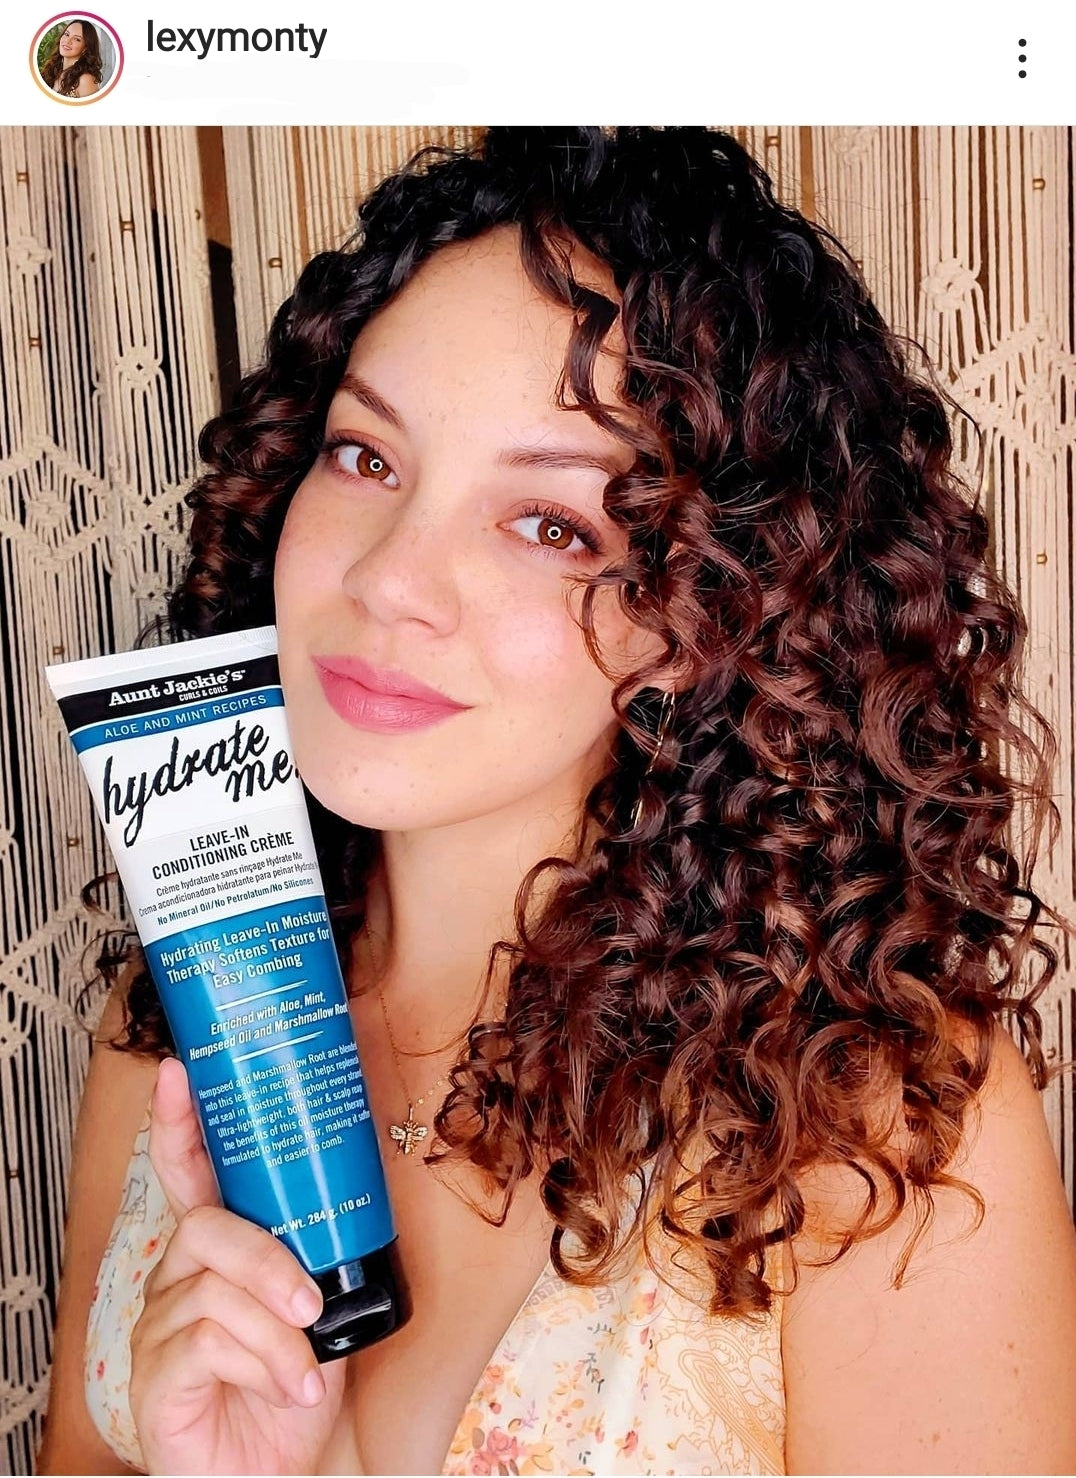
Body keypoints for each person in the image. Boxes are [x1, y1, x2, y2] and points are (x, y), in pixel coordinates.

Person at [37, 127, 1076, 1476]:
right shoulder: (183, 1028)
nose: (390, 579)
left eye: (550, 525)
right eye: (365, 456)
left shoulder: (871, 1129)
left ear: (699, 619)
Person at [38, 18, 102, 98]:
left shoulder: (85, 79)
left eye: (77, 39)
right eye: (67, 34)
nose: (67, 41)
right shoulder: (53, 70)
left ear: (85, 48)